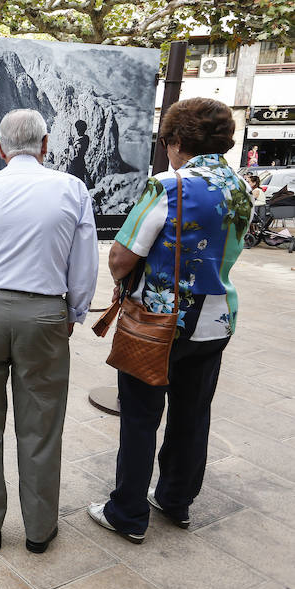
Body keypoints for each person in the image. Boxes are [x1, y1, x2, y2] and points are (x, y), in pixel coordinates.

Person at [87, 98, 252, 544]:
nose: (166, 150)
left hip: (161, 323)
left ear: (178, 141)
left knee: (140, 415)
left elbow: (123, 256)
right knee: (192, 414)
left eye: (166, 142)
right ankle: (175, 500)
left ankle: (127, 513)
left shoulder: (170, 184)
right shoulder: (241, 188)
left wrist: (122, 273)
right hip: (217, 322)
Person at [0, 109, 98, 554]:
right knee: (42, 424)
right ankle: (39, 529)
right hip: (45, 314)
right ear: (46, 145)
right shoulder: (72, 189)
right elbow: (83, 263)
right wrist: (74, 311)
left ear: (0, 148)